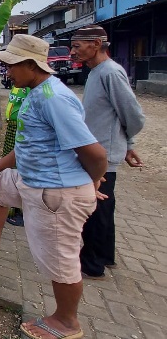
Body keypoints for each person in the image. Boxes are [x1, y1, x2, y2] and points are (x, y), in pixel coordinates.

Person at [0, 34, 107, 339]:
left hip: (54, 194)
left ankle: (66, 322)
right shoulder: (36, 92)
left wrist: (91, 180)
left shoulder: (54, 99)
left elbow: (95, 153)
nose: (7, 72)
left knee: (60, 260)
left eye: (11, 66)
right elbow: (31, 142)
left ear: (31, 65)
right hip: (32, 180)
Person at [70, 25, 146, 280]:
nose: (73, 51)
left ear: (95, 44)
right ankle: (105, 255)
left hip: (103, 155)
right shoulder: (95, 72)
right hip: (97, 151)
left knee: (95, 207)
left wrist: (125, 144)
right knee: (104, 206)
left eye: (77, 46)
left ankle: (92, 263)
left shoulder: (110, 73)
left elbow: (132, 115)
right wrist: (128, 145)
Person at [4, 86, 29, 226]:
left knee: (18, 166)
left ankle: (20, 211)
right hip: (12, 128)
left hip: (21, 129)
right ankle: (11, 207)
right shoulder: (17, 85)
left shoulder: (30, 88)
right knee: (9, 165)